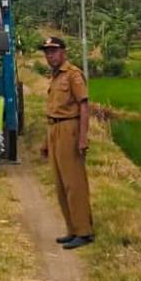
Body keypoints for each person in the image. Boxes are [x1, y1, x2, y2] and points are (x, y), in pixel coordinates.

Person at [39, 36, 94, 249]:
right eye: (47, 52)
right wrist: (46, 141)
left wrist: (82, 138)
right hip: (54, 129)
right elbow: (52, 111)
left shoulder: (73, 75)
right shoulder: (54, 77)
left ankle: (84, 231)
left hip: (69, 130)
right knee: (61, 184)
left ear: (63, 52)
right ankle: (72, 229)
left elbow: (84, 107)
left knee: (74, 183)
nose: (49, 55)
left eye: (53, 51)